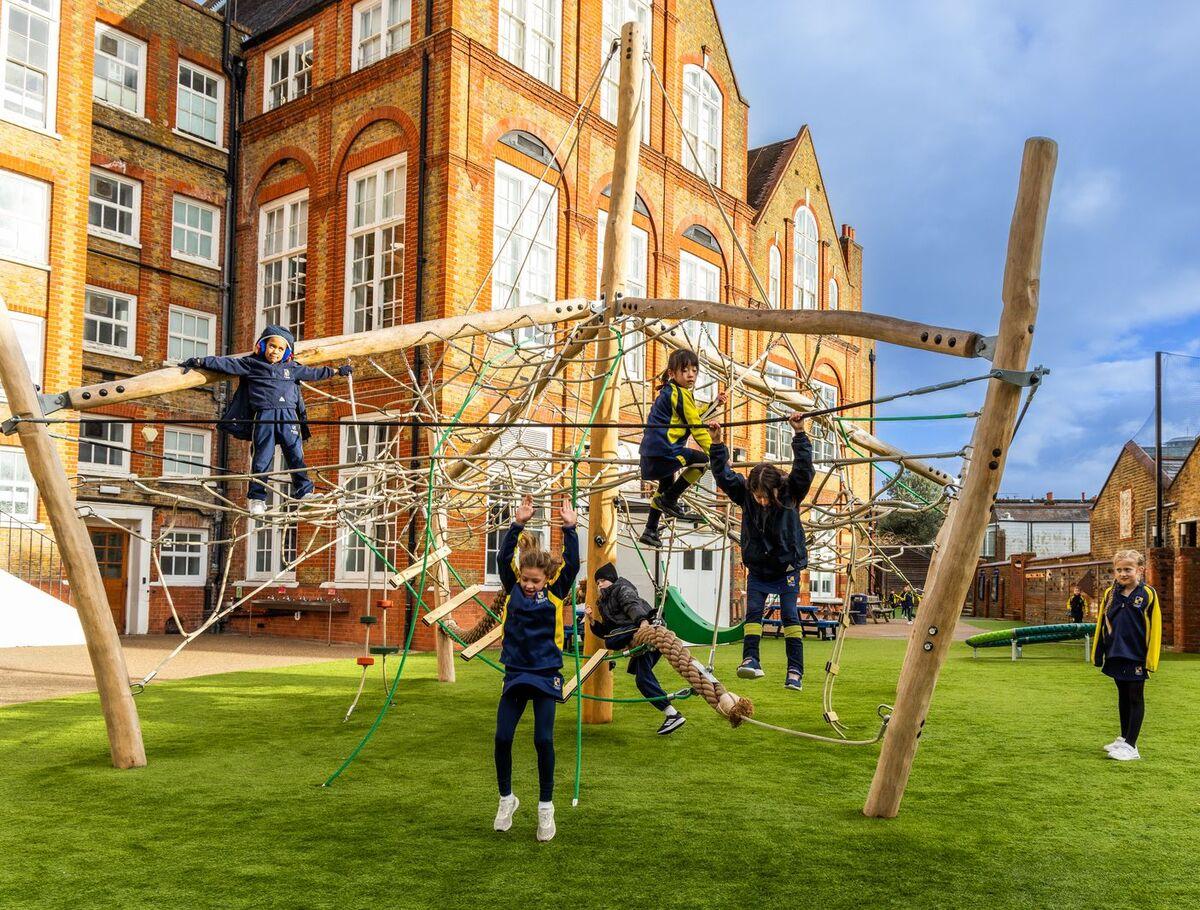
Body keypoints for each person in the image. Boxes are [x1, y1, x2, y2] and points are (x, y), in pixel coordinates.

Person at [181, 325, 350, 516]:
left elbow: (314, 373)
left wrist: (337, 371)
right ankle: (257, 499)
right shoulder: (252, 364)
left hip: (289, 417)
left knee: (296, 455)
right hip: (264, 416)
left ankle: (304, 493)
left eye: (280, 348)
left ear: (286, 352)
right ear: (262, 346)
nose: (275, 351)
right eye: (272, 346)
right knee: (262, 457)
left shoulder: (292, 368)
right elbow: (226, 364)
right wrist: (200, 361)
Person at [492, 494, 579, 841]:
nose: (529, 585)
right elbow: (503, 558)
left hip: (545, 674)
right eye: (526, 579)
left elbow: (572, 565)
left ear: (546, 579)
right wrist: (517, 524)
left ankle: (546, 807)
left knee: (543, 740)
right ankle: (506, 799)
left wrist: (570, 529)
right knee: (502, 737)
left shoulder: (555, 594)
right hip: (515, 672)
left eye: (535, 581)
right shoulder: (512, 588)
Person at [708, 412, 813, 691]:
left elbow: (804, 469)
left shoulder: (791, 491)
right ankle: (751, 660)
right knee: (753, 612)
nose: (762, 501)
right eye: (758, 497)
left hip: (786, 566)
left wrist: (799, 433)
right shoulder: (746, 495)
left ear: (778, 488)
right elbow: (723, 475)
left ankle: (795, 671)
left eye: (766, 496)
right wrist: (717, 443)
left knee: (790, 616)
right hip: (758, 568)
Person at [638, 349, 725, 548]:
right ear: (672, 373)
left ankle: (650, 529)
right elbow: (696, 427)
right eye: (685, 371)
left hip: (651, 455)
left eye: (694, 370)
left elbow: (692, 414)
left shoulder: (670, 391)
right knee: (703, 461)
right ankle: (671, 498)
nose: (691, 375)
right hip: (666, 451)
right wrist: (716, 452)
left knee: (664, 487)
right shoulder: (681, 394)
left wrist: (713, 405)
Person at [587, 562, 685, 735]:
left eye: (602, 580)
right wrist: (592, 621)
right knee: (642, 679)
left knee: (612, 641)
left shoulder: (622, 589)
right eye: (597, 582)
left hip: (646, 631)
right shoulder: (603, 603)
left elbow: (632, 605)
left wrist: (643, 622)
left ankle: (672, 714)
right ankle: (671, 714)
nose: (599, 585)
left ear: (611, 579)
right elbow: (608, 631)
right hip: (638, 640)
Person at [1091, 550, 1161, 762]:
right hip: (1115, 653)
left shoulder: (1147, 594)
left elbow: (1156, 628)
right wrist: (1098, 652)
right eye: (1119, 569)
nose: (1123, 573)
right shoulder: (1110, 593)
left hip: (1137, 655)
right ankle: (1123, 739)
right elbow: (1102, 624)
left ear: (1140, 570)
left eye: (1128, 569)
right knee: (1123, 695)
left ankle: (1132, 746)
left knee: (1135, 697)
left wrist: (1151, 660)